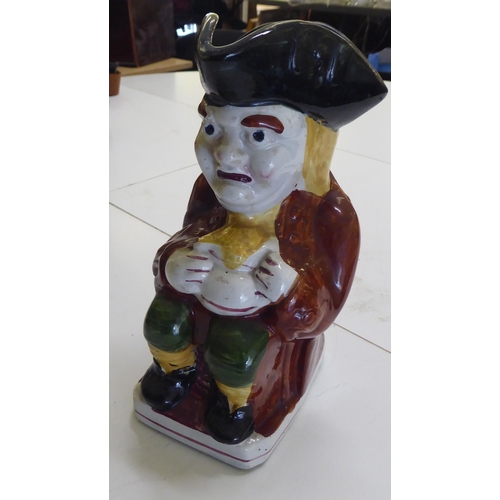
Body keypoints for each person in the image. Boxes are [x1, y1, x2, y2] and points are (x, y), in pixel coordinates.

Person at [139, 13, 387, 445]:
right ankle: (172, 370)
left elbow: (328, 301)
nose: (226, 156)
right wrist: (173, 263)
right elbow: (188, 233)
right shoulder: (212, 189)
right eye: (212, 128)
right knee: (162, 320)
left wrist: (289, 291)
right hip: (203, 301)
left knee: (236, 350)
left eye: (258, 137)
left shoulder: (331, 215)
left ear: (311, 149)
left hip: (266, 325)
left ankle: (235, 403)